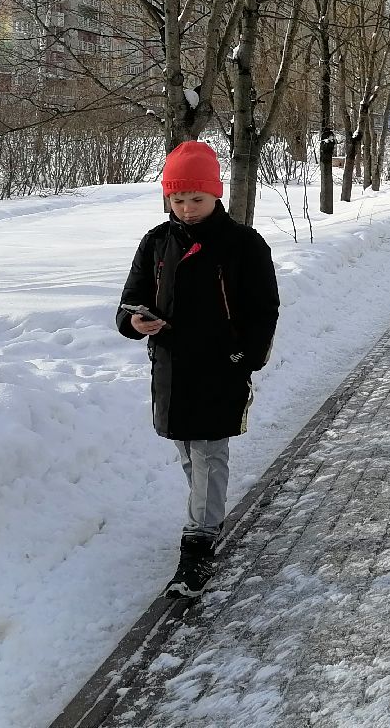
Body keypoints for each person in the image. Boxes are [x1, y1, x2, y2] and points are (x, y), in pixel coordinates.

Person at [116, 141, 280, 598]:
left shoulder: (244, 245)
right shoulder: (156, 243)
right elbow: (129, 301)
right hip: (171, 367)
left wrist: (243, 358)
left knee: (208, 452)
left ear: (217, 195)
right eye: (178, 199)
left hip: (220, 368)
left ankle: (198, 545)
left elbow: (264, 309)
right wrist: (134, 320)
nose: (187, 209)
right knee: (189, 453)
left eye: (197, 199)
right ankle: (205, 518)